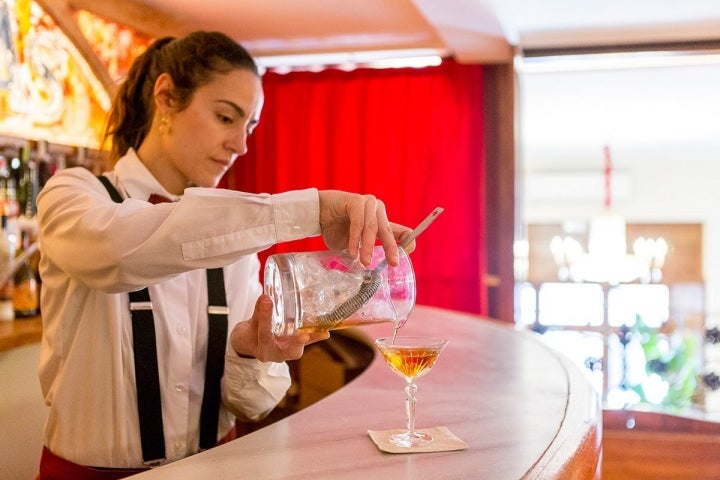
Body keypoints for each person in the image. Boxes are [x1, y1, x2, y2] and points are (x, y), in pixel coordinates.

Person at [35, 31, 413, 479]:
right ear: (167, 98)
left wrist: (251, 352)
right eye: (225, 117)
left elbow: (253, 403)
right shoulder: (73, 193)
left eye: (249, 126)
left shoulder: (233, 234)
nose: (242, 145)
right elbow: (117, 252)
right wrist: (312, 208)